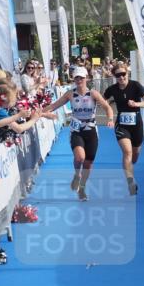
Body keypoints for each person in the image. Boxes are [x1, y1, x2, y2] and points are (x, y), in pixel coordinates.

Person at [44, 66, 115, 201]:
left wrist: (110, 119)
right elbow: (54, 106)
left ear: (86, 78)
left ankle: (82, 188)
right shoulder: (70, 94)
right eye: (76, 77)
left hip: (91, 131)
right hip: (76, 130)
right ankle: (77, 175)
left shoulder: (93, 93)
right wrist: (40, 112)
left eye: (81, 77)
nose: (79, 80)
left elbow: (107, 107)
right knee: (80, 157)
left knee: (88, 164)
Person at [103, 64, 144, 196]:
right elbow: (103, 101)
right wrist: (108, 113)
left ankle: (131, 167)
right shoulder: (112, 89)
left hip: (136, 124)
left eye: (123, 74)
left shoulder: (135, 86)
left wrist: (137, 104)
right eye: (118, 75)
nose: (121, 77)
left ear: (127, 74)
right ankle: (131, 182)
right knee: (127, 152)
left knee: (135, 156)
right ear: (114, 77)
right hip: (122, 125)